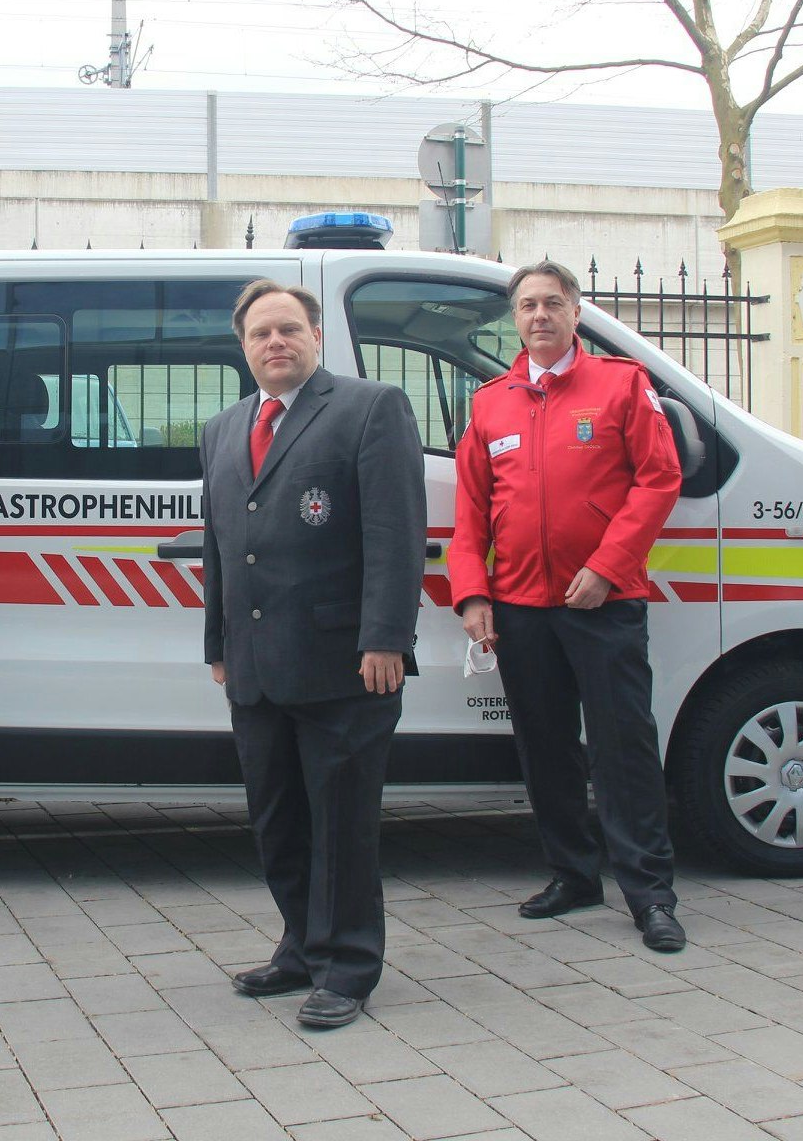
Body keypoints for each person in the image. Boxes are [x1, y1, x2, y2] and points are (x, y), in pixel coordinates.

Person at [200, 279, 426, 1028]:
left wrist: (387, 637)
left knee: (341, 824)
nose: (276, 342)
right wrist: (218, 645)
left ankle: (348, 966)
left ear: (316, 337)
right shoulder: (225, 428)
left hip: (344, 665)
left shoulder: (369, 409)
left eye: (289, 329)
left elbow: (396, 534)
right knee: (278, 822)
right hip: (256, 667)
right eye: (261, 333)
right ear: (243, 347)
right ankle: (301, 944)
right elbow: (223, 549)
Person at [448, 260, 686, 952]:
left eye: (553, 303)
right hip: (520, 608)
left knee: (623, 749)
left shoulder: (620, 385)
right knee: (546, 749)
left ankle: (651, 896)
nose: (540, 315)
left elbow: (659, 478)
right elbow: (471, 513)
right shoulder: (491, 402)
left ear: (576, 313)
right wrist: (471, 594)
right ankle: (574, 875)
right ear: (514, 319)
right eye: (527, 306)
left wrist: (608, 568)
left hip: (603, 605)